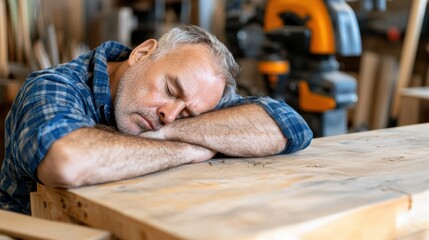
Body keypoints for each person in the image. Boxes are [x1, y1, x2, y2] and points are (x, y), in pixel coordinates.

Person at [0, 25, 312, 215]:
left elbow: (290, 125)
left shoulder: (194, 102)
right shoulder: (53, 85)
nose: (169, 115)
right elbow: (66, 162)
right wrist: (184, 149)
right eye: (170, 89)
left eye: (189, 114)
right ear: (142, 53)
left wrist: (172, 133)